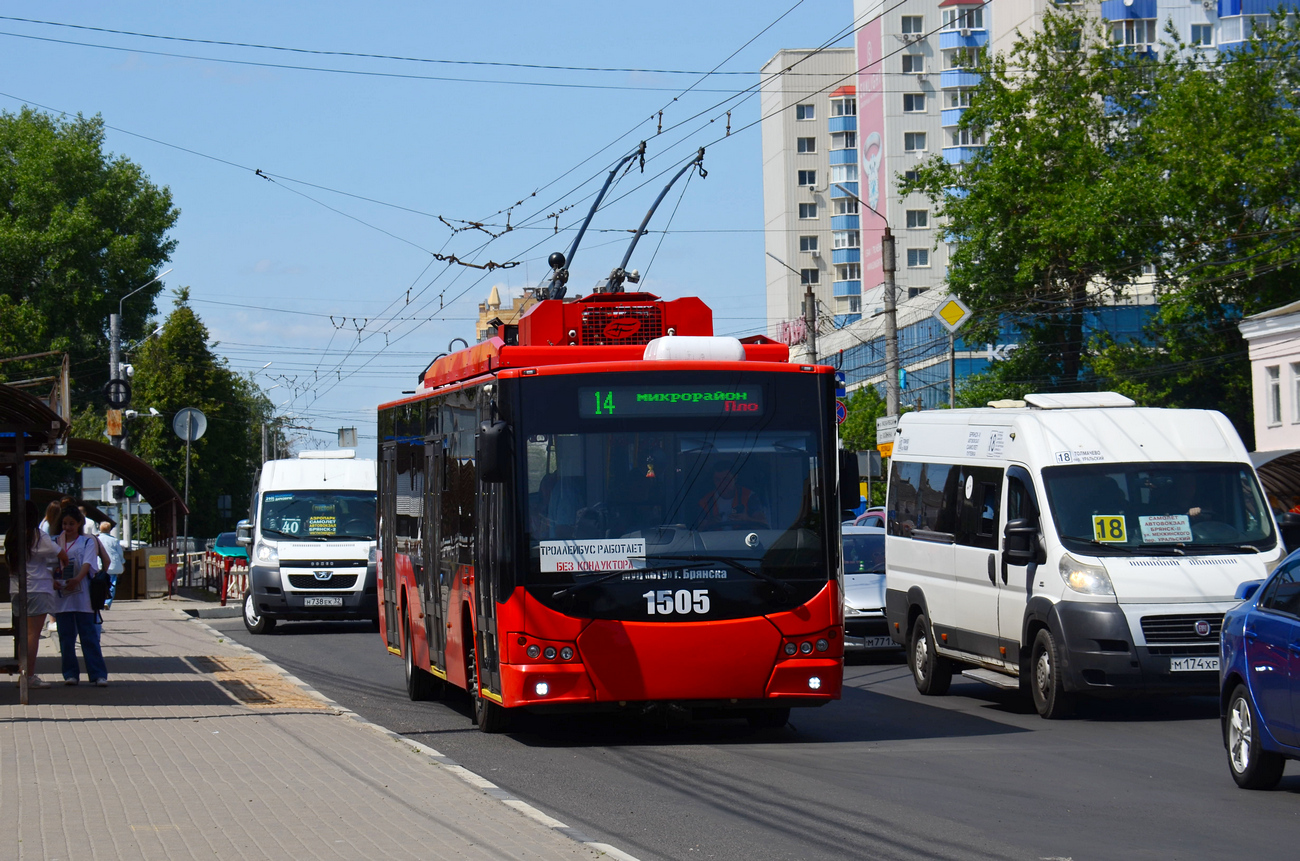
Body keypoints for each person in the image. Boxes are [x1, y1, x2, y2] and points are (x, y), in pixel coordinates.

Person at [4, 500, 62, 688]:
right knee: (32, 635)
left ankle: (23, 674)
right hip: (38, 587)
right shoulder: (38, 535)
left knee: (23, 635)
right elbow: (61, 554)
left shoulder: (11, 536)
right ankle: (29, 676)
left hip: (17, 588)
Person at [52, 506, 108, 687]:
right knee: (66, 638)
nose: (67, 527)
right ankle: (70, 674)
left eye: (71, 524)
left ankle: (98, 674)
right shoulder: (55, 541)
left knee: (89, 637)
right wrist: (51, 578)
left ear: (79, 524)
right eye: (65, 523)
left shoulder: (87, 542)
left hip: (83, 595)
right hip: (62, 595)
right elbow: (48, 563)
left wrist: (77, 579)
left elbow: (88, 562)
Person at [697, 466, 766, 528]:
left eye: (726, 479)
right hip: (715, 540)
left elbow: (764, 523)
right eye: (717, 480)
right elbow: (699, 529)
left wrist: (747, 519)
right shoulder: (706, 501)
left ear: (735, 478)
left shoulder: (749, 497)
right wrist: (711, 522)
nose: (722, 483)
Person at [97, 522, 125, 609]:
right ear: (109, 530)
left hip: (100, 565)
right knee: (112, 584)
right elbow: (120, 553)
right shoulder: (114, 540)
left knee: (100, 584)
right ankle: (107, 602)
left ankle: (100, 601)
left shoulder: (97, 539)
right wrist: (122, 562)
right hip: (113, 566)